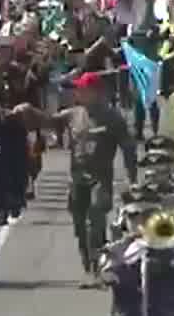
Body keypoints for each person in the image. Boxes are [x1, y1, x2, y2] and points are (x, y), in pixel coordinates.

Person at [13, 72, 136, 282]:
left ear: (97, 93)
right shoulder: (73, 114)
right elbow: (49, 121)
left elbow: (128, 148)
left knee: (95, 218)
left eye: (83, 89)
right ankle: (88, 264)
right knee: (80, 226)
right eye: (78, 89)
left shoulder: (113, 118)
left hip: (101, 178)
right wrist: (28, 110)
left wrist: (131, 180)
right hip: (78, 179)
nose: (78, 92)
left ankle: (99, 267)